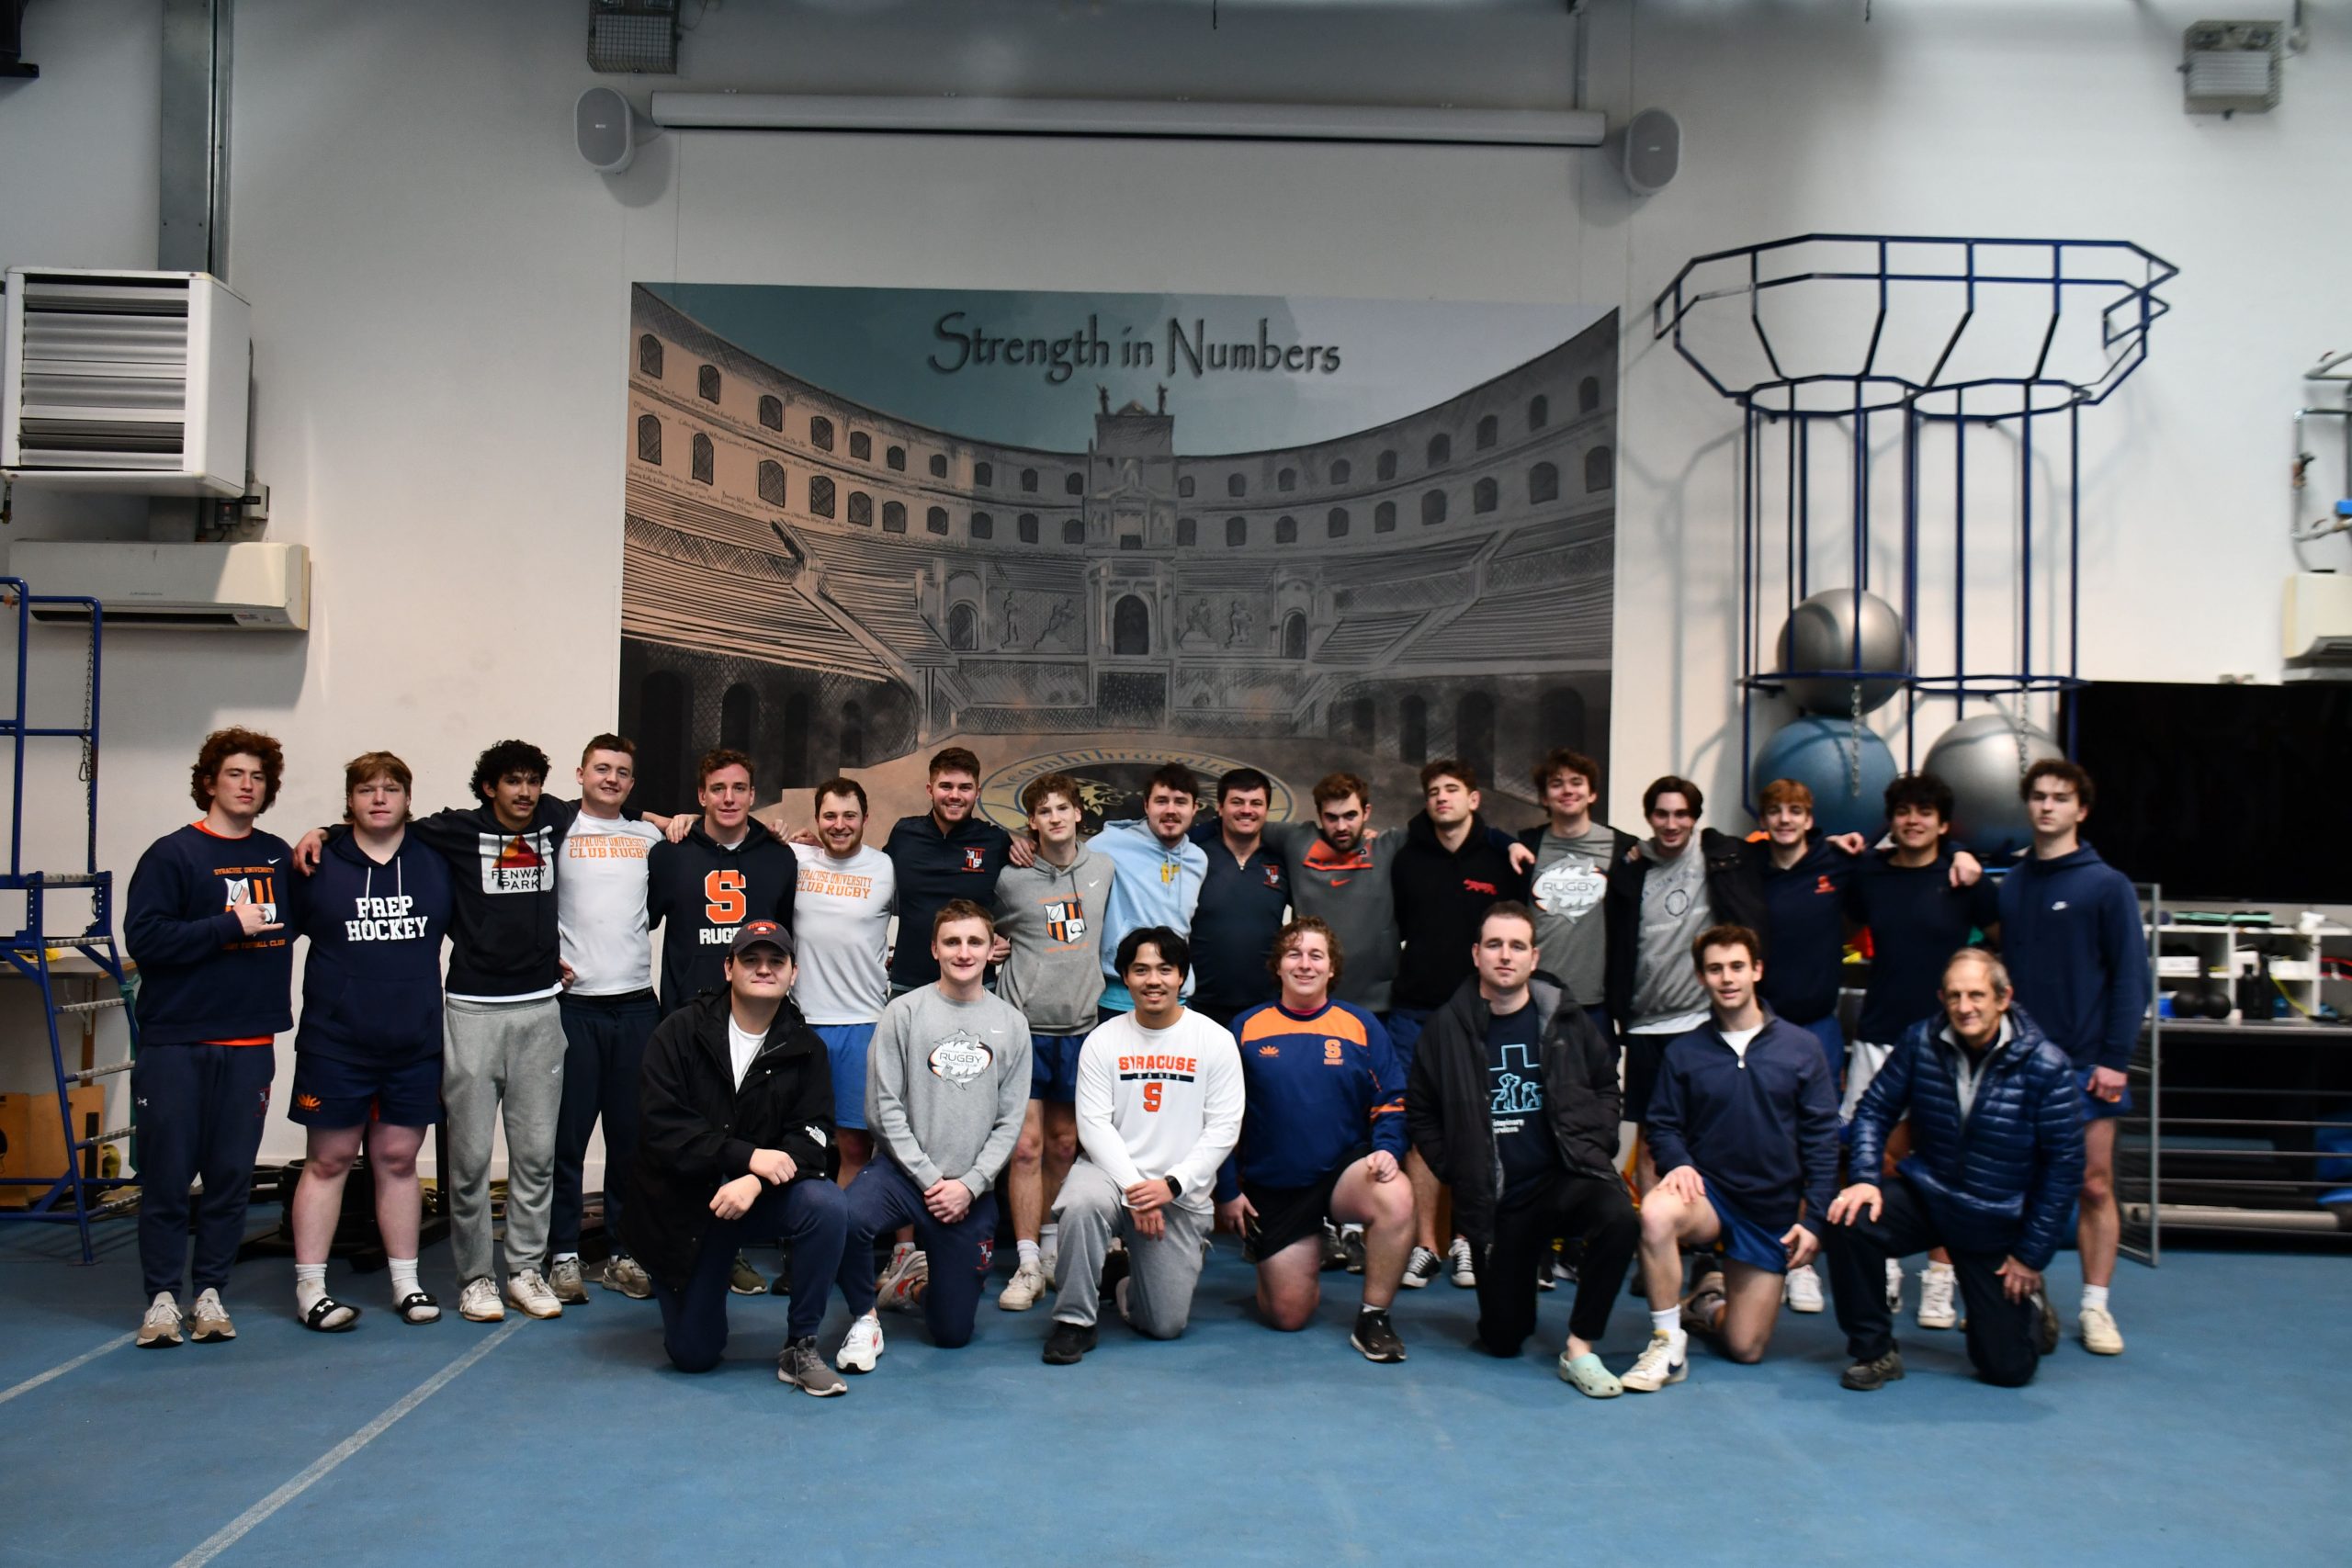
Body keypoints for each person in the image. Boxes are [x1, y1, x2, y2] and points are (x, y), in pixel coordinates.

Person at [293, 739, 650, 1324]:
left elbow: (613, 812)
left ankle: (524, 1270)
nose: (525, 792)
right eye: (512, 781)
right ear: (489, 787)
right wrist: (324, 832)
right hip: (471, 1012)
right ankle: (476, 1278)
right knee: (469, 1160)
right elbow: (382, 822)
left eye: (534, 781)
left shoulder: (556, 817)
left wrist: (662, 816)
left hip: (541, 1011)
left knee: (535, 1157)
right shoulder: (452, 831)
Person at [1406, 902, 1639, 1396]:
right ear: (1476, 954)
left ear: (1534, 957)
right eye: (1494, 945)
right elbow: (1421, 1109)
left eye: (1516, 946)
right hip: (1500, 1203)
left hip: (1563, 1179)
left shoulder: (1565, 1016)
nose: (1504, 956)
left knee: (1621, 1218)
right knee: (1503, 1339)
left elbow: (1605, 1084)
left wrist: (1595, 1142)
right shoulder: (1447, 1027)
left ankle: (1580, 1347)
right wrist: (1454, 1169)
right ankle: (1520, 1278)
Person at [1825, 949, 2083, 1391]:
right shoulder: (1920, 1041)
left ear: (2004, 998)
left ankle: (2031, 1312)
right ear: (1942, 998)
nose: (1965, 1007)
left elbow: (2063, 1169)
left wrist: (2029, 1257)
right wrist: (1865, 1180)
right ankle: (1875, 1351)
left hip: (1994, 1219)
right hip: (1930, 1194)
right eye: (1955, 996)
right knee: (1850, 1219)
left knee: (2006, 1370)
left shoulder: (2047, 1066)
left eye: (1977, 995)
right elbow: (1873, 1111)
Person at [125, 728, 303, 1348]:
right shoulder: (173, 855)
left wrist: (323, 841)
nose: (247, 783)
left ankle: (209, 1293)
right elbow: (146, 941)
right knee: (168, 1177)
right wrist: (228, 925)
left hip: (249, 1042)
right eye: (234, 773)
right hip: (177, 1041)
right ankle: (161, 1297)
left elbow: (318, 911)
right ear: (209, 781)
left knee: (229, 1178)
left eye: (257, 775)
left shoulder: (279, 856)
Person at [627, 921, 851, 1394]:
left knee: (827, 1206)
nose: (763, 969)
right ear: (729, 968)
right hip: (691, 1208)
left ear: (793, 974)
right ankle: (690, 1294)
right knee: (694, 1355)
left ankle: (801, 1344)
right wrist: (746, 1157)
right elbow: (662, 1128)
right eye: (751, 959)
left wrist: (755, 1181)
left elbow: (813, 1139)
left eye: (776, 961)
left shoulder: (807, 1048)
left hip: (759, 1200)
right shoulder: (680, 1032)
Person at [1621, 925, 1839, 1391]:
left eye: (1737, 967)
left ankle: (1706, 1304)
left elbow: (1822, 1140)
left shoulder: (1803, 1049)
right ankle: (1666, 1340)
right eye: (1715, 969)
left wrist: (1816, 1219)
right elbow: (1663, 1124)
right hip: (1710, 1197)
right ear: (1701, 978)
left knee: (1745, 1349)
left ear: (1757, 971)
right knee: (1657, 1213)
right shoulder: (1684, 1052)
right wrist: (1678, 1161)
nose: (1727, 978)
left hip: (1769, 1212)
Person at [285, 751, 452, 1331]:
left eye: (391, 789)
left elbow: (492, 923)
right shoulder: (316, 862)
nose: (379, 798)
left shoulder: (435, 860)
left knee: (399, 1160)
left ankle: (405, 1283)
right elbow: (272, 937)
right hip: (337, 1042)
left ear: (408, 798)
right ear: (349, 799)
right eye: (366, 790)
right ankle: (312, 1288)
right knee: (329, 1160)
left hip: (413, 1041)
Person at [833, 902, 1030, 1374]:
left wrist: (970, 1184)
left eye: (974, 942)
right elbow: (882, 1109)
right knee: (842, 1219)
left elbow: (1011, 1120)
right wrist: (927, 1177)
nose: (964, 952)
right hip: (902, 1175)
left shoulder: (1012, 1024)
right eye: (952, 942)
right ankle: (865, 1317)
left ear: (991, 951)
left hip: (970, 1187)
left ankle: (912, 1289)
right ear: (934, 949)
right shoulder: (903, 1013)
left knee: (951, 1334)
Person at [1996, 759, 2150, 1358]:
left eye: (2060, 797)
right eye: (2038, 796)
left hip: (2089, 1064)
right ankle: (2017, 1294)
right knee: (2015, 1185)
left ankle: (2095, 1305)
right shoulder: (2012, 883)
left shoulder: (2107, 884)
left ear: (2080, 809)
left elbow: (2130, 979)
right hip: (2020, 1064)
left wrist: (2115, 1058)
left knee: (2092, 1183)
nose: (2047, 807)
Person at [1839, 771, 2001, 1327]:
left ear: (1943, 823)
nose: (1913, 821)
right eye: (1904, 811)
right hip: (1881, 1031)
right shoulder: (1870, 875)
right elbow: (1840, 902)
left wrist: (1963, 856)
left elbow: (2002, 944)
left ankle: (1940, 1280)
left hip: (1949, 1042)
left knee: (1947, 1159)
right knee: (1874, 1152)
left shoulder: (1964, 878)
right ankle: (1882, 1264)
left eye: (1925, 812)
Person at [1214, 918, 1412, 1363]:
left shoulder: (1360, 1026)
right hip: (1277, 1186)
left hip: (1344, 1174)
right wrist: (1227, 1190)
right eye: (1294, 954)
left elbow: (1392, 1098)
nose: (1305, 964)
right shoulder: (1244, 1029)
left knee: (1396, 1195)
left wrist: (1387, 1148)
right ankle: (1295, 1250)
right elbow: (1220, 1117)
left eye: (1315, 955)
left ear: (1331, 968)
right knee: (1287, 1316)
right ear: (1278, 967)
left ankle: (1374, 1317)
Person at [1042, 927, 1243, 1363]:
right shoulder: (1104, 1040)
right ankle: (1075, 1320)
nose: (1154, 980)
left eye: (1165, 970)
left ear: (1181, 978)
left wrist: (1171, 1185)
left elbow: (1225, 1128)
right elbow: (1093, 1126)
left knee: (1165, 1326)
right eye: (1141, 970)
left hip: (1177, 1190)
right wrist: (1137, 1190)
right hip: (1113, 1176)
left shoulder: (1215, 1041)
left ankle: (1121, 1278)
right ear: (1125, 979)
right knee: (1081, 1200)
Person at [1388, 759, 1529, 1288]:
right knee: (1419, 1124)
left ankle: (1470, 1238)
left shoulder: (1501, 859)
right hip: (1415, 1009)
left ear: (1474, 799)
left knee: (1482, 1125)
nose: (1441, 797)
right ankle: (1427, 1244)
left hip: (1481, 1013)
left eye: (1453, 789)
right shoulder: (1406, 860)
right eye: (1433, 791)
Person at [1602, 775, 1766, 1190]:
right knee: (1652, 1138)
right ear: (1649, 818)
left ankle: (1705, 1238)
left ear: (1694, 817)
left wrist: (1837, 843)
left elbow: (1789, 851)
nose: (1671, 823)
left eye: (1681, 814)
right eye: (1662, 814)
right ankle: (1657, 1237)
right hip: (1644, 1026)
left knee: (1708, 1133)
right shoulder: (1632, 867)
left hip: (1700, 1023)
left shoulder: (1721, 855)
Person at [991, 773, 1114, 1310]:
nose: (1056, 818)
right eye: (1045, 811)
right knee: (1025, 1147)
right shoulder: (1010, 879)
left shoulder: (1103, 868)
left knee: (1065, 1146)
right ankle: (1022, 1263)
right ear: (1033, 823)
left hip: (1081, 1030)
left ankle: (1048, 1251)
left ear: (1078, 815)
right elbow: (981, 929)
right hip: (1024, 1030)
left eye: (1064, 808)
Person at [549, 735, 664, 1303]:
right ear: (580, 773)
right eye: (602, 769)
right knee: (567, 1139)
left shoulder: (648, 835)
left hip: (638, 1003)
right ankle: (564, 1254)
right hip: (575, 1007)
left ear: (632, 782)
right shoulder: (555, 832)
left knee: (631, 1140)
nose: (612, 778)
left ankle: (625, 1252)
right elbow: (521, 900)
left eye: (622, 771)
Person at [786, 778, 897, 1195]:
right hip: (802, 1024)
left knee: (854, 1145)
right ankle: (803, 1240)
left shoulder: (886, 867)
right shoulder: (796, 858)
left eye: (849, 815)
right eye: (830, 815)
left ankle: (844, 1245)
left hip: (863, 1025)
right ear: (816, 819)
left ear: (866, 819)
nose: (839, 824)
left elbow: (933, 913)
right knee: (797, 1143)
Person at [647, 747, 798, 1018]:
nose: (729, 798)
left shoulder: (780, 857)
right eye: (718, 789)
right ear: (702, 796)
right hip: (686, 1013)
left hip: (758, 1013)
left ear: (752, 795)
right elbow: (636, 924)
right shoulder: (669, 854)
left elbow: (786, 935)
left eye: (739, 788)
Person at [879, 747, 1011, 996]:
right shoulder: (904, 834)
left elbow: (1026, 896)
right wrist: (820, 848)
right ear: (930, 790)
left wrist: (1007, 938)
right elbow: (865, 868)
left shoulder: (996, 842)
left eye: (964, 787)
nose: (955, 795)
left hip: (974, 985)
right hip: (909, 984)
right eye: (946, 786)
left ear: (977, 792)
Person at [1516, 749, 1627, 1029]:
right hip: (1535, 996)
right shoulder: (1527, 847)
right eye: (1556, 784)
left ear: (1592, 794)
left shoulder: (1622, 848)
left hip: (1596, 1003)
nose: (1567, 790)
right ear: (1544, 798)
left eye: (1576, 782)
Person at [1088, 764, 1209, 1019]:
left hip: (1177, 995)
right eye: (1161, 801)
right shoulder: (1108, 844)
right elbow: (1064, 857)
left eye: (1180, 802)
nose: (1171, 811)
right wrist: (1030, 843)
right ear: (1146, 806)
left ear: (1195, 808)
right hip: (1118, 996)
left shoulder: (1198, 859)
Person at [1183, 767, 1291, 1029]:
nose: (1247, 810)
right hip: (1201, 1006)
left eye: (1256, 803)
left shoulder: (1283, 860)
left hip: (1267, 1007)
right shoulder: (1193, 856)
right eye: (1237, 802)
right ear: (1220, 807)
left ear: (1266, 810)